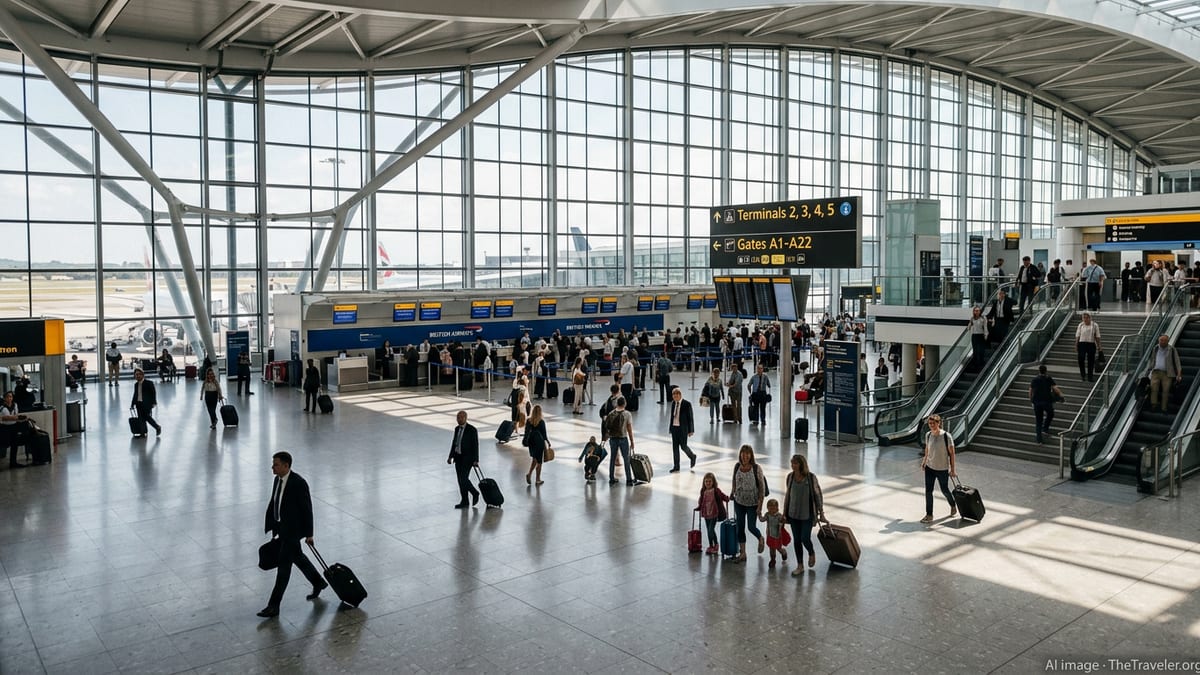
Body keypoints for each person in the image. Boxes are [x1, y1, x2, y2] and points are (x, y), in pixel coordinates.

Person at [258, 451, 326, 618]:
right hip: (282, 529)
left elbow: (307, 509)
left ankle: (273, 606)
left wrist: (309, 534)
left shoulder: (299, 483)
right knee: (299, 558)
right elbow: (275, 502)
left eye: (276, 464)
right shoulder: (277, 480)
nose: (272, 467)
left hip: (293, 532)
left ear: (286, 465)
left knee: (284, 569)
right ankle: (318, 582)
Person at [782, 454, 824, 574]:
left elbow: (817, 495)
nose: (793, 466)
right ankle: (800, 565)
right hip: (793, 514)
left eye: (796, 463)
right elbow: (788, 495)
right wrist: (784, 513)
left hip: (807, 515)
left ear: (802, 464)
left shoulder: (810, 478)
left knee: (805, 538)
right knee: (796, 540)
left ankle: (811, 552)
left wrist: (821, 512)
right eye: (792, 463)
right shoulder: (790, 477)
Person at [729, 445, 767, 562]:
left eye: (747, 454)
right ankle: (743, 553)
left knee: (751, 526)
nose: (745, 456)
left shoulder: (756, 468)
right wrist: (732, 492)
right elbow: (734, 481)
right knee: (740, 528)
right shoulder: (737, 466)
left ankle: (760, 538)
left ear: (751, 455)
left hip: (752, 503)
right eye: (743, 453)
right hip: (739, 501)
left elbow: (762, 488)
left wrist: (760, 506)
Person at [920, 415, 956, 524]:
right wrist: (924, 461)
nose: (931, 425)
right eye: (930, 424)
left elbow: (952, 454)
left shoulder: (946, 436)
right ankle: (929, 514)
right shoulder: (928, 435)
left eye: (933, 423)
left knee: (944, 490)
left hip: (942, 469)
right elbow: (927, 449)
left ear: (938, 423)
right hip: (929, 467)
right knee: (928, 491)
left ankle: (953, 504)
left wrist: (952, 469)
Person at [446, 410, 480, 508]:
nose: (459, 419)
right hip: (458, 457)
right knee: (460, 481)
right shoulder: (457, 429)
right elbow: (454, 443)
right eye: (458, 418)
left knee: (464, 479)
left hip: (468, 458)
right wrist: (450, 456)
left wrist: (476, 459)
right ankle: (464, 501)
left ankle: (475, 493)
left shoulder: (472, 430)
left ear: (465, 418)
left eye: (461, 417)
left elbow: (475, 445)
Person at [602, 396, 635, 486]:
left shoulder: (611, 413)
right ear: (625, 404)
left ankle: (611, 478)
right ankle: (629, 479)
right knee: (626, 459)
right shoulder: (627, 414)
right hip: (623, 438)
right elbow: (629, 429)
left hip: (613, 439)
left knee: (612, 458)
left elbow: (607, 427)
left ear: (617, 404)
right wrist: (632, 441)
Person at [1147, 334, 1183, 413]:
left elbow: (1177, 362)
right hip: (1155, 372)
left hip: (1167, 373)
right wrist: (1149, 370)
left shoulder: (1172, 350)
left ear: (1168, 341)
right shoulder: (1155, 348)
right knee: (1154, 389)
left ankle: (1164, 408)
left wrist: (1179, 374)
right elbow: (1152, 360)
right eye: (1161, 340)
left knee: (1165, 391)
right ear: (1158, 341)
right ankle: (1154, 405)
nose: (1162, 342)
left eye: (1164, 340)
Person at [695, 473, 729, 555]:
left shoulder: (716, 490)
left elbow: (722, 496)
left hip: (714, 513)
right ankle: (711, 545)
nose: (708, 483)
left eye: (710, 481)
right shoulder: (703, 491)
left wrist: (727, 498)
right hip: (706, 513)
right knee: (709, 530)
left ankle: (716, 544)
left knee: (710, 530)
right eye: (706, 481)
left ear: (713, 482)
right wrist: (699, 507)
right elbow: (701, 500)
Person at [1029, 364, 1062, 444]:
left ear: (1039, 371)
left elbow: (1030, 390)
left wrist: (1031, 400)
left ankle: (1039, 440)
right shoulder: (1048, 378)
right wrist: (1061, 395)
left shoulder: (1035, 379)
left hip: (1037, 402)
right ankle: (1045, 428)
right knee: (1050, 413)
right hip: (1046, 401)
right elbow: (1055, 388)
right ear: (1046, 371)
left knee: (1038, 420)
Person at [667, 387, 697, 473]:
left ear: (680, 395)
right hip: (674, 428)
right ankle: (676, 466)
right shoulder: (673, 404)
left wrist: (691, 430)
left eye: (677, 394)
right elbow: (672, 417)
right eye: (674, 395)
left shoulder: (687, 404)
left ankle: (692, 456)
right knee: (675, 448)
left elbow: (690, 418)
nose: (675, 396)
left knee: (683, 446)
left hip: (683, 428)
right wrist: (670, 428)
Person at [523, 404, 551, 486]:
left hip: (531, 442)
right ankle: (537, 479)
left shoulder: (529, 421)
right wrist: (548, 442)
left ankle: (529, 474)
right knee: (539, 461)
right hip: (539, 442)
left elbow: (526, 432)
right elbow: (544, 435)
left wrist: (525, 441)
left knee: (534, 459)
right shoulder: (541, 422)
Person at [1, 391, 29, 469]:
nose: (10, 398)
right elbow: (4, 418)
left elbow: (15, 416)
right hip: (4, 428)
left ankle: (13, 463)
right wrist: (14, 417)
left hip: (14, 426)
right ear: (4, 398)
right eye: (8, 397)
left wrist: (17, 418)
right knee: (4, 444)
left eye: (11, 397)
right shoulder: (2, 407)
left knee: (14, 444)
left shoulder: (15, 405)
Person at [130, 368, 161, 438]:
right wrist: (132, 404)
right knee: (141, 419)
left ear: (142, 375)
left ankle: (157, 427)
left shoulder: (149, 383)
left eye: (139, 374)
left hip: (147, 404)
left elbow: (153, 393)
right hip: (139, 404)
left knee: (147, 417)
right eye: (136, 375)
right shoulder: (136, 385)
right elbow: (135, 394)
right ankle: (143, 433)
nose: (137, 376)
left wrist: (154, 402)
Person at [759, 499, 789, 569]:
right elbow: (762, 520)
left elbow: (784, 521)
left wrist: (784, 520)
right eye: (770, 508)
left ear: (777, 508)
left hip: (777, 536)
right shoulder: (767, 514)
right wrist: (759, 514)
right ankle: (773, 560)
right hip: (770, 535)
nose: (772, 510)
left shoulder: (779, 516)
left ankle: (783, 552)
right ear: (767, 508)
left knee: (778, 548)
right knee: (771, 548)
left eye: (773, 508)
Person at [1075, 312, 1101, 382]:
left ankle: (1090, 376)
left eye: (1087, 317)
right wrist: (1076, 345)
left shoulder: (1095, 325)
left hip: (1091, 344)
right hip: (1082, 344)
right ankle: (1083, 375)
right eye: (1084, 318)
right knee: (1081, 359)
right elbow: (1078, 335)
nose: (1085, 319)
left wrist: (1099, 346)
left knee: (1091, 361)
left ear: (1090, 318)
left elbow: (1097, 336)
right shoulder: (1080, 325)